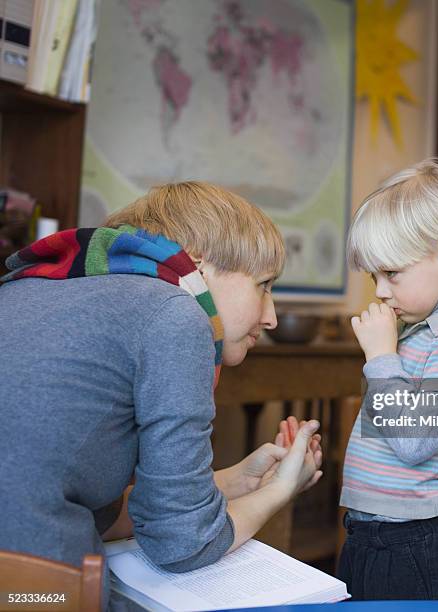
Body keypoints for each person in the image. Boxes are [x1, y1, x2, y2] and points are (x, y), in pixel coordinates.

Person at [0, 181, 323, 609]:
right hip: (32, 589)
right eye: (264, 285)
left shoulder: (23, 289)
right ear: (198, 266)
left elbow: (83, 500)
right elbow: (182, 545)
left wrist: (237, 481)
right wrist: (279, 491)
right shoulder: (174, 311)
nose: (272, 317)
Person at [338, 159, 438, 600]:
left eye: (392, 273)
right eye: (374, 276)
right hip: (374, 535)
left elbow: (415, 439)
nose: (381, 291)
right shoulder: (418, 332)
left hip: (422, 545)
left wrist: (382, 358)